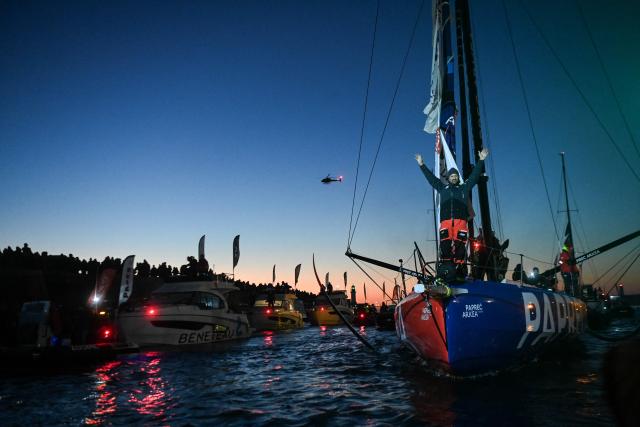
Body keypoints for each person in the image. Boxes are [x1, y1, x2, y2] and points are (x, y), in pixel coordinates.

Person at [415, 147, 489, 279]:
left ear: (457, 178)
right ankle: (445, 272)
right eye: (452, 176)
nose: (454, 177)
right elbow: (431, 179)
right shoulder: (442, 188)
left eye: (455, 176)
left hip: (461, 222)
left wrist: (481, 160)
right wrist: (422, 165)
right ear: (448, 178)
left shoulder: (464, 188)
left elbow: (474, 176)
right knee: (445, 247)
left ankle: (460, 273)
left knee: (460, 248)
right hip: (446, 222)